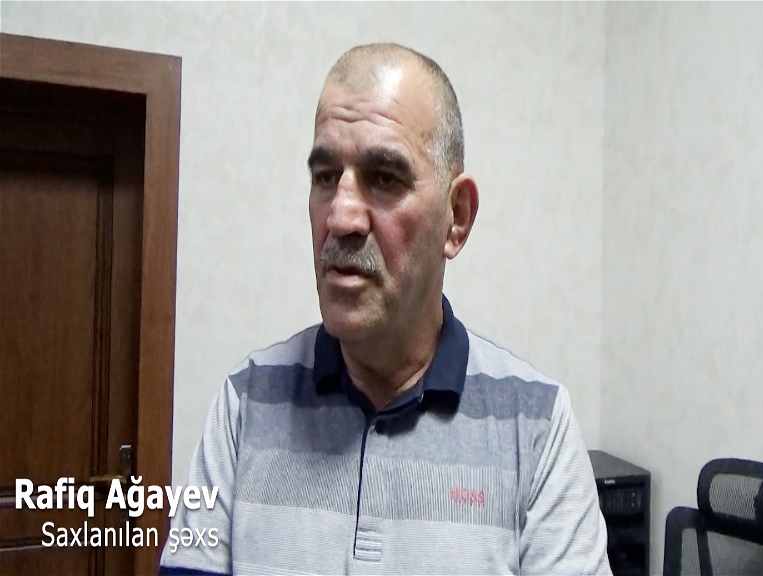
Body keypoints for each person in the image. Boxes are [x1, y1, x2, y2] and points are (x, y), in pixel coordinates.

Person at [160, 42, 610, 576]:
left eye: (384, 178)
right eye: (325, 177)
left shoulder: (536, 427)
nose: (341, 218)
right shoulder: (244, 403)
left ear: (456, 217)